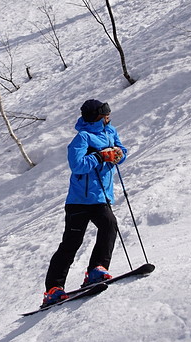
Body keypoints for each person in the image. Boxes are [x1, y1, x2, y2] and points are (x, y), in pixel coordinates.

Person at [42, 99, 128, 307]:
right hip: (79, 201)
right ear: (96, 115)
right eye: (105, 113)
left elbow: (122, 151)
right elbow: (77, 165)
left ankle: (97, 270)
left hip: (100, 197)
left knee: (109, 226)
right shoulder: (81, 138)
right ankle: (53, 289)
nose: (109, 115)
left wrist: (118, 155)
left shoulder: (110, 132)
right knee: (71, 243)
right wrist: (100, 156)